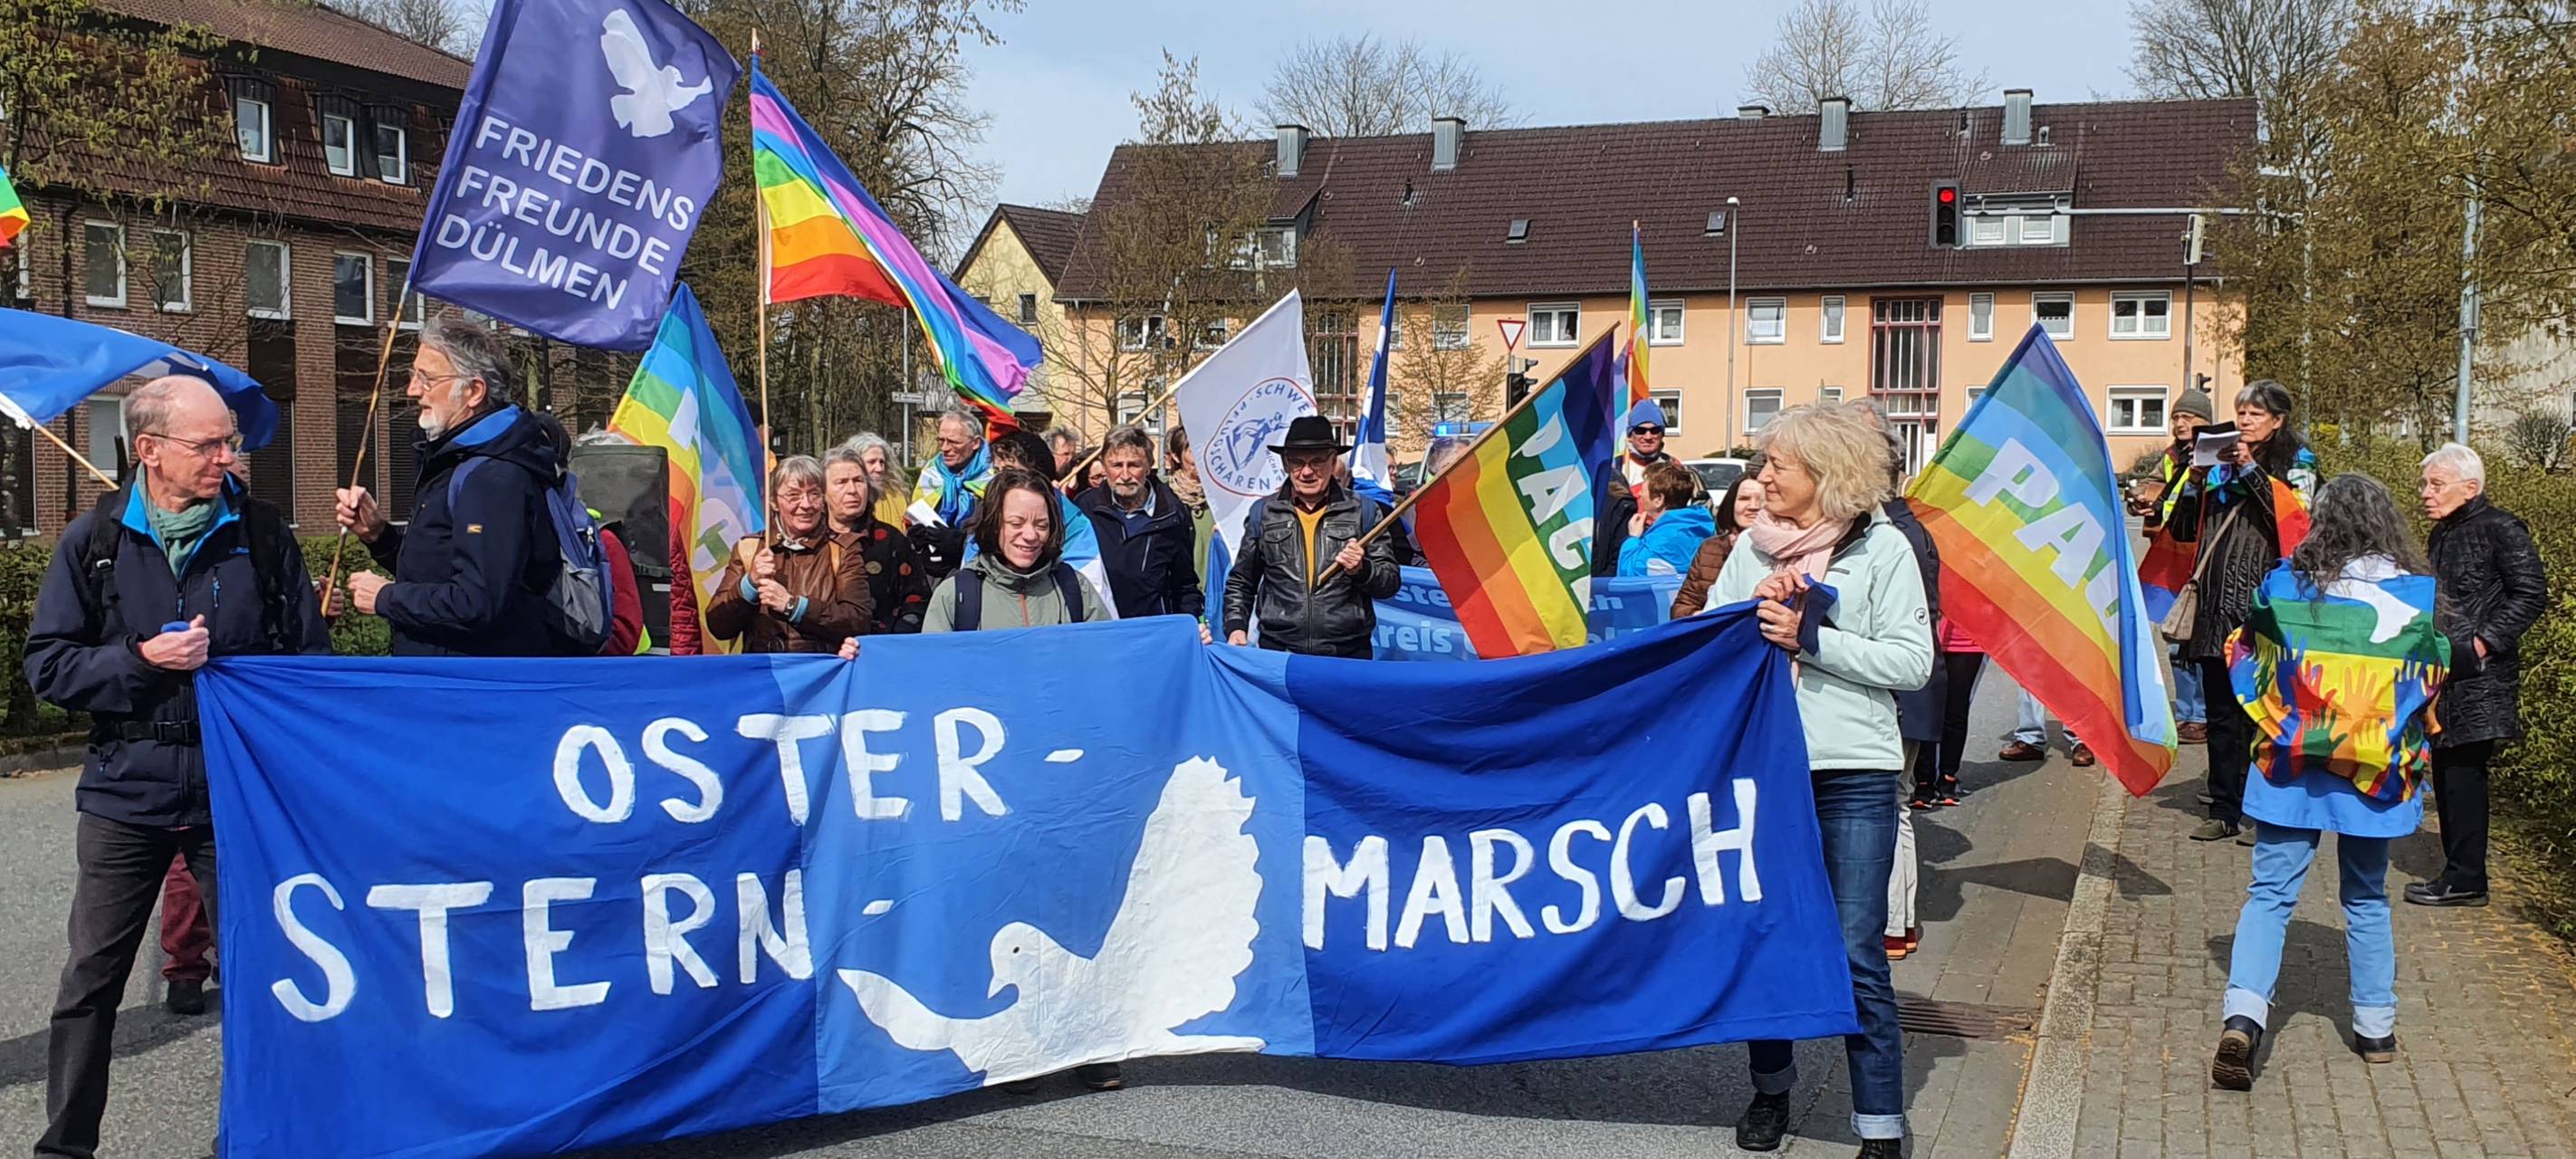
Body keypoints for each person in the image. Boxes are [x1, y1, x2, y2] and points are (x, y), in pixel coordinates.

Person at [25, 375, 330, 1158]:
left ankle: (281, 1136)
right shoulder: (91, 541)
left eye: (229, 441)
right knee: (90, 983)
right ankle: (65, 1148)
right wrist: (142, 659)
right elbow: (49, 669)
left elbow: (309, 666)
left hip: (237, 794)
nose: (227, 457)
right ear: (151, 451)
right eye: (209, 444)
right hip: (126, 790)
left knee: (272, 981)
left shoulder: (263, 534)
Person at [1706, 404, 1930, 1158]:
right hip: (1763, 773)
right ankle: (1771, 1093)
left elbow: (1911, 663)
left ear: (1824, 476)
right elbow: (1708, 640)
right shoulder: (1751, 549)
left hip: (1854, 774)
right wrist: (1745, 619)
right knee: (1766, 938)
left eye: (1778, 467)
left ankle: (1877, 1126)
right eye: (1764, 465)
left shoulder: (1885, 550)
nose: (1762, 477)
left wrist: (1814, 639)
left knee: (1855, 952)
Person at [2211, 474, 2451, 1089]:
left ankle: (2242, 1018)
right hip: (2374, 770)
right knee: (2366, 898)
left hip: (2292, 762)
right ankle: (2374, 1029)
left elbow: (2245, 652)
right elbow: (2432, 670)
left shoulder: (2286, 585)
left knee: (2269, 895)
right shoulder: (2415, 596)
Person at [333, 318, 566, 656]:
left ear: (473, 391)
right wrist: (378, 535)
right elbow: (437, 571)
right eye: (414, 376)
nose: (412, 391)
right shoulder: (458, 460)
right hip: (451, 678)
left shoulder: (495, 475)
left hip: (475, 687)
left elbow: (478, 601)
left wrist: (386, 597)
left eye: (426, 379)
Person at [2165, 379, 2318, 841]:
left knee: (2265, 712)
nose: (2245, 420)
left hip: (2264, 606)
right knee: (2220, 716)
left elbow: (2297, 527)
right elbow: (2185, 529)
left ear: (2278, 421)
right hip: (2215, 605)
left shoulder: (2299, 464)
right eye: (2241, 411)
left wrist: (2251, 470)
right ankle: (2224, 809)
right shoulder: (2215, 462)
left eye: (2255, 413)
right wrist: (2192, 481)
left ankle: (2264, 812)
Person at [2409, 443, 2546, 907]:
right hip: (2447, 670)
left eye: (2435, 484)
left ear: (2470, 488)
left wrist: (2483, 644)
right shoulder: (2443, 533)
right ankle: (2459, 872)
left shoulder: (2501, 528)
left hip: (2481, 675)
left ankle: (2467, 877)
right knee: (2447, 767)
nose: (2426, 493)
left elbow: (2530, 593)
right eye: (2424, 484)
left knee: (2463, 771)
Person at [1222, 416, 1403, 658]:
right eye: (1297, 463)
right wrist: (1235, 627)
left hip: (1347, 655)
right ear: (1285, 464)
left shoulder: (1365, 511)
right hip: (1279, 654)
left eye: (1317, 462)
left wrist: (1362, 569)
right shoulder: (1263, 513)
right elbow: (1242, 582)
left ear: (1332, 462)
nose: (1306, 472)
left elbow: (1390, 582)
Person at [1868, 415, 1942, 963]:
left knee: (1890, 804)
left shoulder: (1893, 533)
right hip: (1908, 689)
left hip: (1902, 690)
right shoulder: (1897, 524)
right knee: (1893, 803)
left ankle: (1894, 922)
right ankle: (1897, 921)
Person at [916, 466, 1113, 633]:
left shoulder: (1077, 590)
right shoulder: (955, 596)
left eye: (1041, 525)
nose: (1030, 535)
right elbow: (937, 672)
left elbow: (1103, 662)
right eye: (1016, 523)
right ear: (993, 524)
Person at [706, 456, 872, 653]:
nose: (806, 504)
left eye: (814, 494)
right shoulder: (750, 549)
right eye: (793, 496)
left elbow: (858, 620)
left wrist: (794, 606)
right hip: (765, 674)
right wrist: (749, 584)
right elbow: (719, 626)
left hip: (819, 672)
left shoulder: (842, 550)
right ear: (774, 502)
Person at [2134, 385, 2218, 744]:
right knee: (2176, 637)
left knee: (2199, 639)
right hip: (2173, 556)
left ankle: (2201, 714)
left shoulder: (2215, 455)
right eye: (2176, 417)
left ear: (2205, 422)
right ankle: (2189, 714)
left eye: (2187, 417)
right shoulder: (2172, 456)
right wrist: (2143, 500)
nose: (2179, 422)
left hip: (2206, 557)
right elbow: (2155, 488)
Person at [1076, 425, 1202, 618]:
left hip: (1152, 629)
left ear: (1149, 464)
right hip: (1099, 626)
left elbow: (1184, 585)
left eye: (1134, 465)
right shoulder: (1084, 508)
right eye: (1117, 465)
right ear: (1104, 465)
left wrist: (1190, 625)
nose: (1125, 476)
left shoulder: (1173, 514)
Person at [825, 445, 928, 635]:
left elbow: (917, 600)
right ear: (823, 490)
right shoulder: (812, 541)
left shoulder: (892, 541)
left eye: (858, 481)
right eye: (841, 482)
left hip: (879, 650)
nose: (852, 490)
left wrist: (892, 637)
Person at [1590, 398, 1672, 576]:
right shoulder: (1612, 470)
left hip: (1662, 553)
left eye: (1654, 430)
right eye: (1640, 430)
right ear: (1630, 434)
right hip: (1619, 554)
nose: (1648, 436)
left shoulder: (1677, 470)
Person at [909, 407, 991, 580]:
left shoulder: (993, 477)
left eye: (954, 442)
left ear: (975, 443)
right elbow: (914, 513)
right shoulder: (931, 471)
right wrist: (915, 537)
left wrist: (961, 542)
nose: (945, 448)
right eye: (941, 441)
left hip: (975, 572)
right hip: (929, 570)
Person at [1913, 618, 1985, 809]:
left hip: (1967, 640)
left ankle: (1948, 778)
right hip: (1926, 638)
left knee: (1956, 711)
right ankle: (1923, 781)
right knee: (1925, 712)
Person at [1671, 473, 1762, 618]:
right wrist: (1702, 617)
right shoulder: (1711, 548)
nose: (1753, 506)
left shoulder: (1782, 551)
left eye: (1762, 500)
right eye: (1744, 499)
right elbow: (1683, 605)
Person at [1615, 460, 1716, 577]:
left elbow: (1630, 577)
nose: (1639, 495)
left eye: (1643, 491)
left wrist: (1632, 539)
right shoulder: (1698, 525)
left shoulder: (1666, 538)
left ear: (1659, 500)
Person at [1165, 424, 1215, 579]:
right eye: (1193, 450)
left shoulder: (1221, 497)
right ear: (1175, 456)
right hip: (1179, 590)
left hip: (1216, 588)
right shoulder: (1164, 495)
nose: (1201, 457)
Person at [847, 430, 912, 529]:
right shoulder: (846, 498)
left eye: (882, 462)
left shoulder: (896, 495)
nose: (879, 468)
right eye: (871, 462)